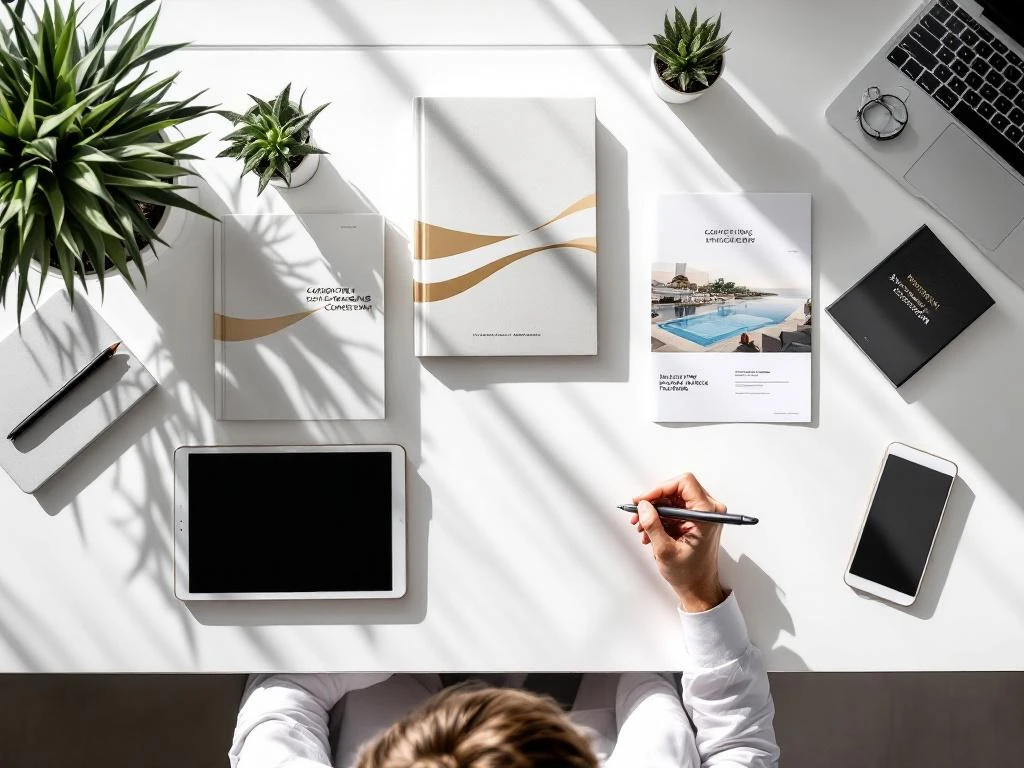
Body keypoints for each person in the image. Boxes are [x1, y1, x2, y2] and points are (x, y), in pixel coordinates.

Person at [229, 473, 779, 768]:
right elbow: (739, 749)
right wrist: (700, 592)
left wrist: (396, 647)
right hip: (623, 625)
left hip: (398, 657)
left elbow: (281, 705)